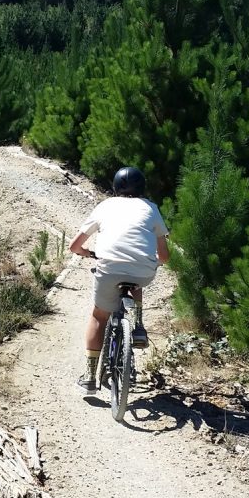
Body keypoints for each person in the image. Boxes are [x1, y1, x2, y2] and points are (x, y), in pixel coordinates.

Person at [68, 166, 170, 393]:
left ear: (114, 186)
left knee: (98, 317)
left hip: (109, 268)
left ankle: (89, 376)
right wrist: (149, 260)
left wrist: (87, 253)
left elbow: (74, 246)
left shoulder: (105, 206)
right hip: (143, 271)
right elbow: (164, 256)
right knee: (136, 280)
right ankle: (138, 325)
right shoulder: (151, 208)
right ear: (142, 187)